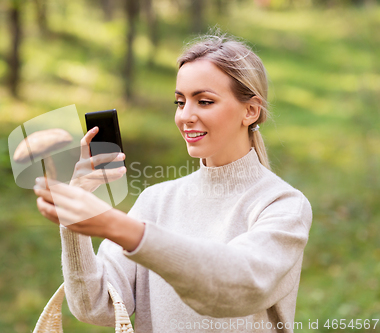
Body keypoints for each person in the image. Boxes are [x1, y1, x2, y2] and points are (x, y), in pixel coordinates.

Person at [34, 31, 312, 333]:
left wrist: (118, 227)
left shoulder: (282, 205)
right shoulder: (156, 200)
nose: (186, 116)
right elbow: (96, 308)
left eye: (204, 101)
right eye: (180, 102)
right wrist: (75, 221)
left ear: (250, 110)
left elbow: (238, 286)